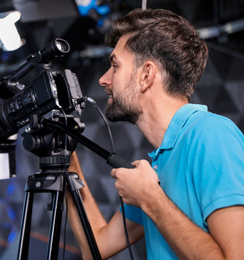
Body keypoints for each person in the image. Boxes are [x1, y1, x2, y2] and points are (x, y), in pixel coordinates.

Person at [67, 8, 244, 260]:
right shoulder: (159, 165)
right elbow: (96, 245)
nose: (103, 80)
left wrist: (150, 199)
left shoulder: (211, 135)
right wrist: (67, 161)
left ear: (146, 75)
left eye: (115, 65)